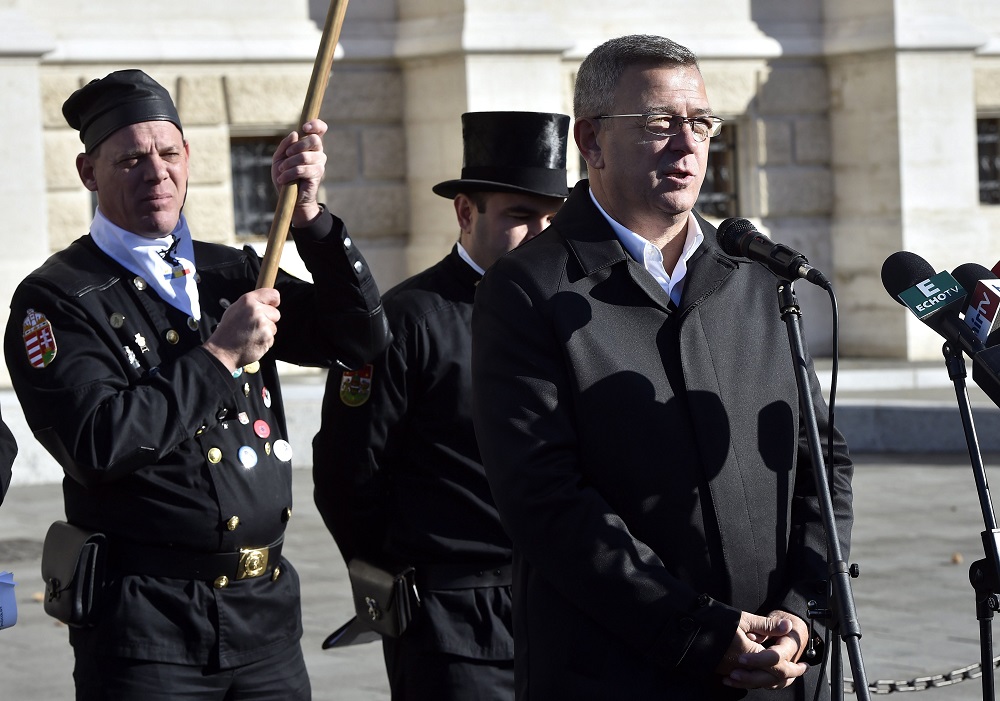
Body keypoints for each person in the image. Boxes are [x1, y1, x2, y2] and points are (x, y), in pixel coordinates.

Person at [469, 35, 854, 700]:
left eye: (700, 123)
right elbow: (546, 502)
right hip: (620, 676)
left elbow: (820, 461)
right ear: (590, 140)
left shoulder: (757, 279)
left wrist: (803, 612)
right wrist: (700, 633)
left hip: (779, 673)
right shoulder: (527, 288)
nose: (687, 144)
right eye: (657, 124)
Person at [4, 69, 389, 700]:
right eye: (129, 158)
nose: (155, 172)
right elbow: (97, 444)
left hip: (264, 618)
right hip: (149, 628)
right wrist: (217, 355)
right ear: (87, 173)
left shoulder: (231, 270)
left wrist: (312, 219)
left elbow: (360, 340)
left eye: (169, 153)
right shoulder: (58, 299)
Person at [312, 111, 569, 699]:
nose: (538, 236)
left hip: (560, 609)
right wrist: (403, 577)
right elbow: (348, 474)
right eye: (519, 217)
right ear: (465, 211)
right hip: (451, 621)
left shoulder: (570, 316)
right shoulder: (405, 322)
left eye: (552, 220)